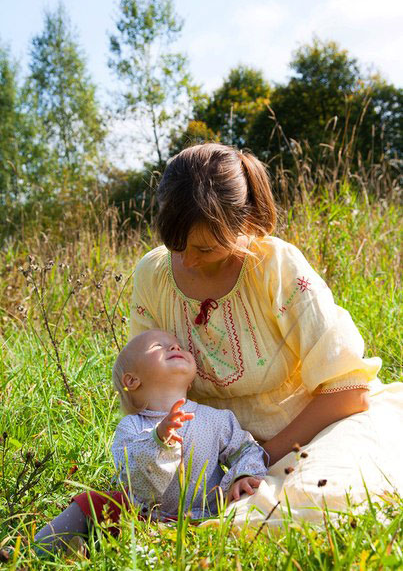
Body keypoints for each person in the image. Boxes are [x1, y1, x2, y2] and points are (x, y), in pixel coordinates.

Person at [129, 142, 403, 526]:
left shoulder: (275, 266)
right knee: (147, 503)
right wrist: (163, 457)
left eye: (206, 248)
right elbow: (142, 385)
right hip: (212, 453)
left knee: (317, 497)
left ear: (242, 224)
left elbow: (349, 391)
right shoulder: (153, 274)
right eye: (177, 245)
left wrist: (260, 458)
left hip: (310, 435)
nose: (188, 260)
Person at [34, 329, 268, 557]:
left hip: (205, 519)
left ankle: (89, 547)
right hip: (141, 518)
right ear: (132, 380)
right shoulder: (132, 426)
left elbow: (246, 448)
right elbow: (131, 478)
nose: (175, 347)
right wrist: (158, 440)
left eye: (178, 346)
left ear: (189, 382)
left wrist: (242, 476)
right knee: (94, 502)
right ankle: (35, 550)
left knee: (247, 513)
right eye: (159, 346)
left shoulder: (216, 418)